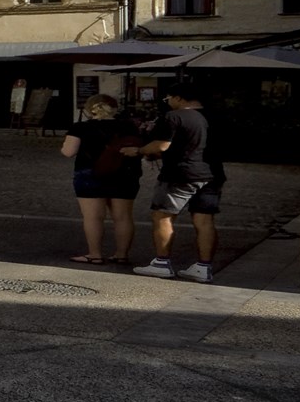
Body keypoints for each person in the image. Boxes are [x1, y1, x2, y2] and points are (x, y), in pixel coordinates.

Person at [132, 83, 222, 281]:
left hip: (180, 173)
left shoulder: (174, 117)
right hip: (212, 173)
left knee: (163, 216)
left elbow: (161, 145)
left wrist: (139, 151)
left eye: (169, 98)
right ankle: (204, 267)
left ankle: (162, 262)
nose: (168, 102)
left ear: (179, 98)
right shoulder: (215, 116)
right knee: (205, 220)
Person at [57, 95, 143, 264]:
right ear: (115, 108)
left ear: (89, 110)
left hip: (90, 173)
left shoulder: (80, 127)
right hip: (124, 174)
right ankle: (121, 254)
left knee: (93, 217)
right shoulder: (128, 126)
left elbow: (68, 152)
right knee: (123, 217)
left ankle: (95, 254)